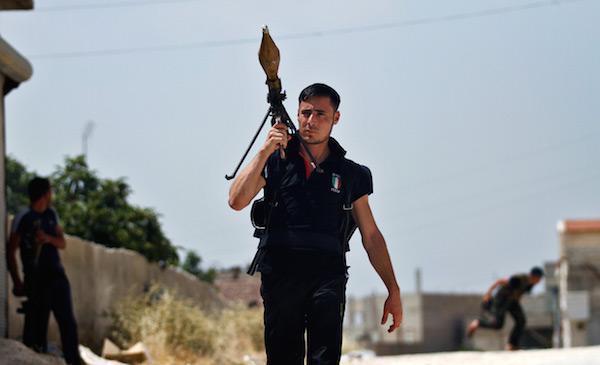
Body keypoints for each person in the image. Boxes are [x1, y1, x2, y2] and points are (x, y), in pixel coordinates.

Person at [228, 83, 403, 364]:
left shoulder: (351, 173)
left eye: (321, 114)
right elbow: (236, 200)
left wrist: (392, 289)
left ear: (336, 118)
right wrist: (264, 150)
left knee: (325, 359)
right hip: (281, 273)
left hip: (328, 275)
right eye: (305, 113)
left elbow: (371, 236)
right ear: (296, 115)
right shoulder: (276, 161)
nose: (311, 121)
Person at [6, 177, 82, 365]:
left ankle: (73, 361)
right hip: (35, 278)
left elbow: (62, 243)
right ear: (45, 193)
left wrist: (47, 238)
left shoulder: (51, 215)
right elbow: (10, 251)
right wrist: (17, 281)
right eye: (50, 191)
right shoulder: (23, 217)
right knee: (36, 329)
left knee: (68, 324)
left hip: (56, 275)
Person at [467, 266, 545, 350]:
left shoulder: (530, 285)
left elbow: (520, 293)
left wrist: (517, 306)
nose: (539, 281)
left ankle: (512, 344)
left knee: (521, 321)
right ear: (534, 276)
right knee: (497, 324)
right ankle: (477, 323)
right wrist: (488, 293)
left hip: (512, 302)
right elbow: (499, 281)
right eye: (539, 278)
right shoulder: (518, 278)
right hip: (502, 300)